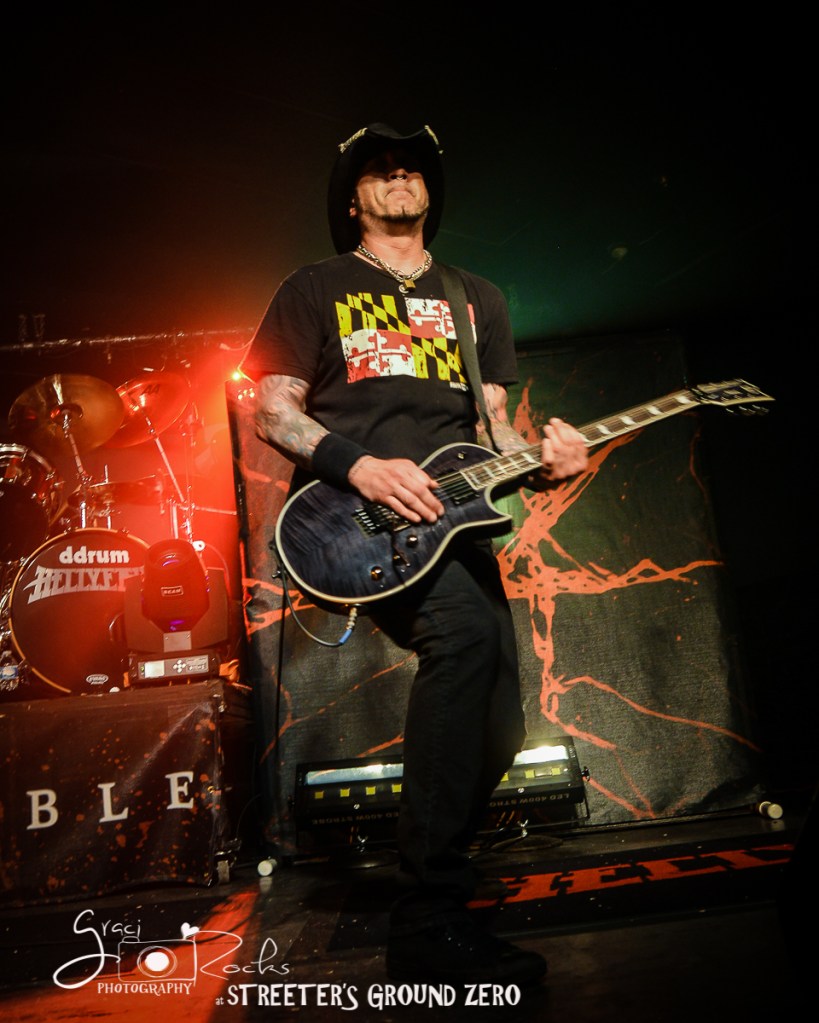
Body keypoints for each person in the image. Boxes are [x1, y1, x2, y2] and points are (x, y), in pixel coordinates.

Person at [243, 123, 588, 987]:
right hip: (356, 520)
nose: (398, 175)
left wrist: (546, 463)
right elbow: (272, 410)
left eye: (411, 167)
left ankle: (437, 888)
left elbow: (495, 432)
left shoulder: (475, 298)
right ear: (352, 199)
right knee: (463, 641)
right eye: (378, 168)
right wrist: (359, 465)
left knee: (501, 721)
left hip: (452, 522)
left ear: (429, 191)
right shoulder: (313, 287)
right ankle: (428, 913)